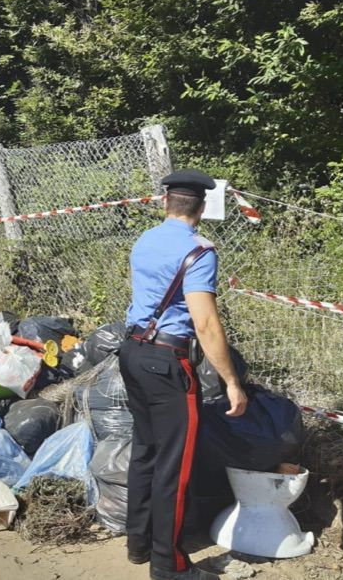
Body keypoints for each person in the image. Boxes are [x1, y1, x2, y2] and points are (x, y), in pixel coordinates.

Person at [120, 169, 248, 580]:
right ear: (203, 207)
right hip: (166, 363)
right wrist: (231, 381)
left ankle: (138, 544)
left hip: (132, 352)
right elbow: (206, 324)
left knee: (146, 453)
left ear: (165, 203)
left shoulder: (146, 239)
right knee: (174, 467)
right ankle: (169, 566)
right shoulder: (199, 251)